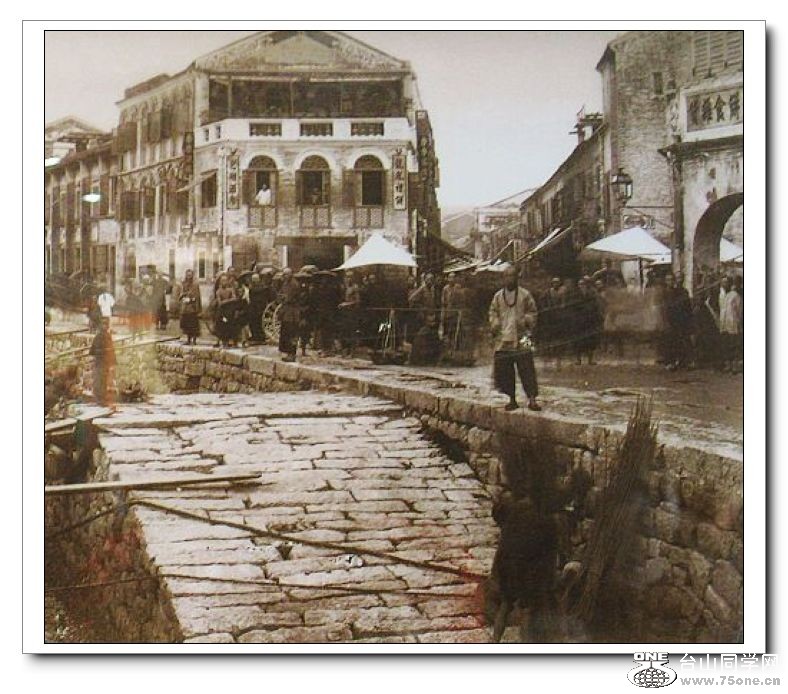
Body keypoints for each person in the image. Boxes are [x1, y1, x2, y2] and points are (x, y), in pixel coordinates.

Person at [489, 265, 541, 411]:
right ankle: (512, 399)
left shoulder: (525, 295)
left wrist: (526, 320)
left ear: (517, 278)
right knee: (505, 370)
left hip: (522, 337)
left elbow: (533, 311)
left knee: (527, 368)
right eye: (507, 276)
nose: (509, 279)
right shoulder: (498, 296)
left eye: (512, 276)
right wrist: (495, 323)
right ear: (503, 279)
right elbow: (492, 312)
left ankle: (532, 399)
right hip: (503, 338)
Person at [663, 273, 694, 370]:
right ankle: (669, 362)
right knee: (669, 341)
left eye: (672, 280)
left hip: (678, 320)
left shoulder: (678, 292)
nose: (671, 282)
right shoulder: (664, 293)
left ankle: (681, 361)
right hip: (667, 320)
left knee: (678, 341)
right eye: (668, 280)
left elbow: (685, 307)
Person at [89, 317, 116, 407]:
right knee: (98, 380)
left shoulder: (107, 336)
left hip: (104, 362)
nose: (105, 326)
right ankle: (99, 398)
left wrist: (112, 361)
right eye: (103, 324)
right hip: (99, 362)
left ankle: (101, 398)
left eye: (106, 324)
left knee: (103, 380)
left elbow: (111, 349)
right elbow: (93, 350)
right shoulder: (99, 336)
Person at [719, 275, 743, 372]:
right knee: (727, 345)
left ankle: (734, 366)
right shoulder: (725, 295)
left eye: (726, 282)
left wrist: (738, 322)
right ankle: (728, 365)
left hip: (733, 323)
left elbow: (739, 310)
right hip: (725, 323)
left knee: (733, 345)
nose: (724, 284)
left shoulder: (736, 295)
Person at [278, 268, 301, 361]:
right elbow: (281, 295)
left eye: (286, 274)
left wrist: (284, 298)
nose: (285, 276)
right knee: (286, 333)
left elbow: (290, 298)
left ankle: (292, 354)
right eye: (284, 274)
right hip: (286, 312)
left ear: (291, 274)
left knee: (292, 334)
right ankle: (287, 352)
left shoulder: (294, 284)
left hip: (293, 313)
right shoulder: (285, 284)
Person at [173, 269, 202, 345]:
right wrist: (182, 297)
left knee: (193, 325)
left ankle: (194, 340)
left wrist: (192, 300)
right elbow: (181, 294)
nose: (189, 277)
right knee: (186, 324)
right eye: (187, 275)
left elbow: (197, 296)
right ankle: (188, 339)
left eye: (190, 275)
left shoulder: (195, 284)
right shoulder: (184, 284)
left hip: (192, 308)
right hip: (185, 308)